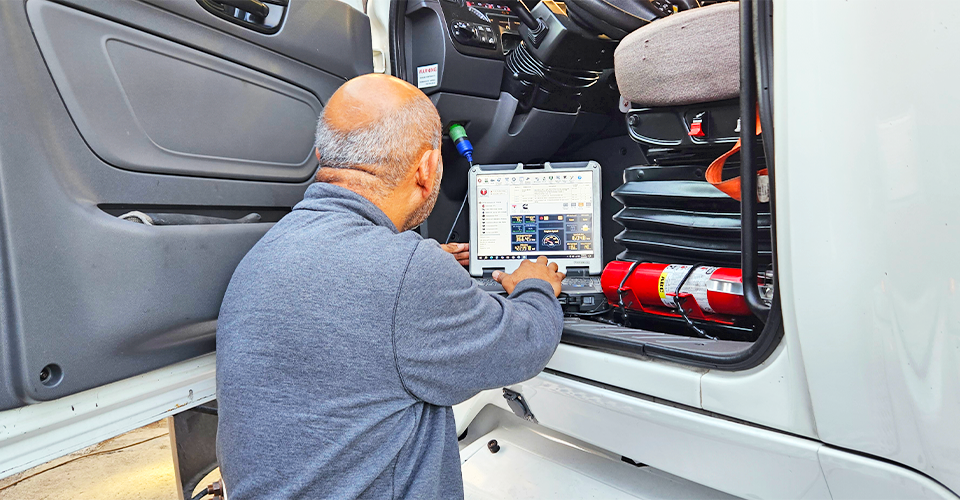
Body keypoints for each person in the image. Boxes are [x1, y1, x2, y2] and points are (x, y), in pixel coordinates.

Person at [215, 74, 565, 499]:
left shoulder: (268, 249)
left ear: (323, 156)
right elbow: (523, 345)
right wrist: (535, 287)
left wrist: (411, 264)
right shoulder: (406, 272)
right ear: (428, 168)